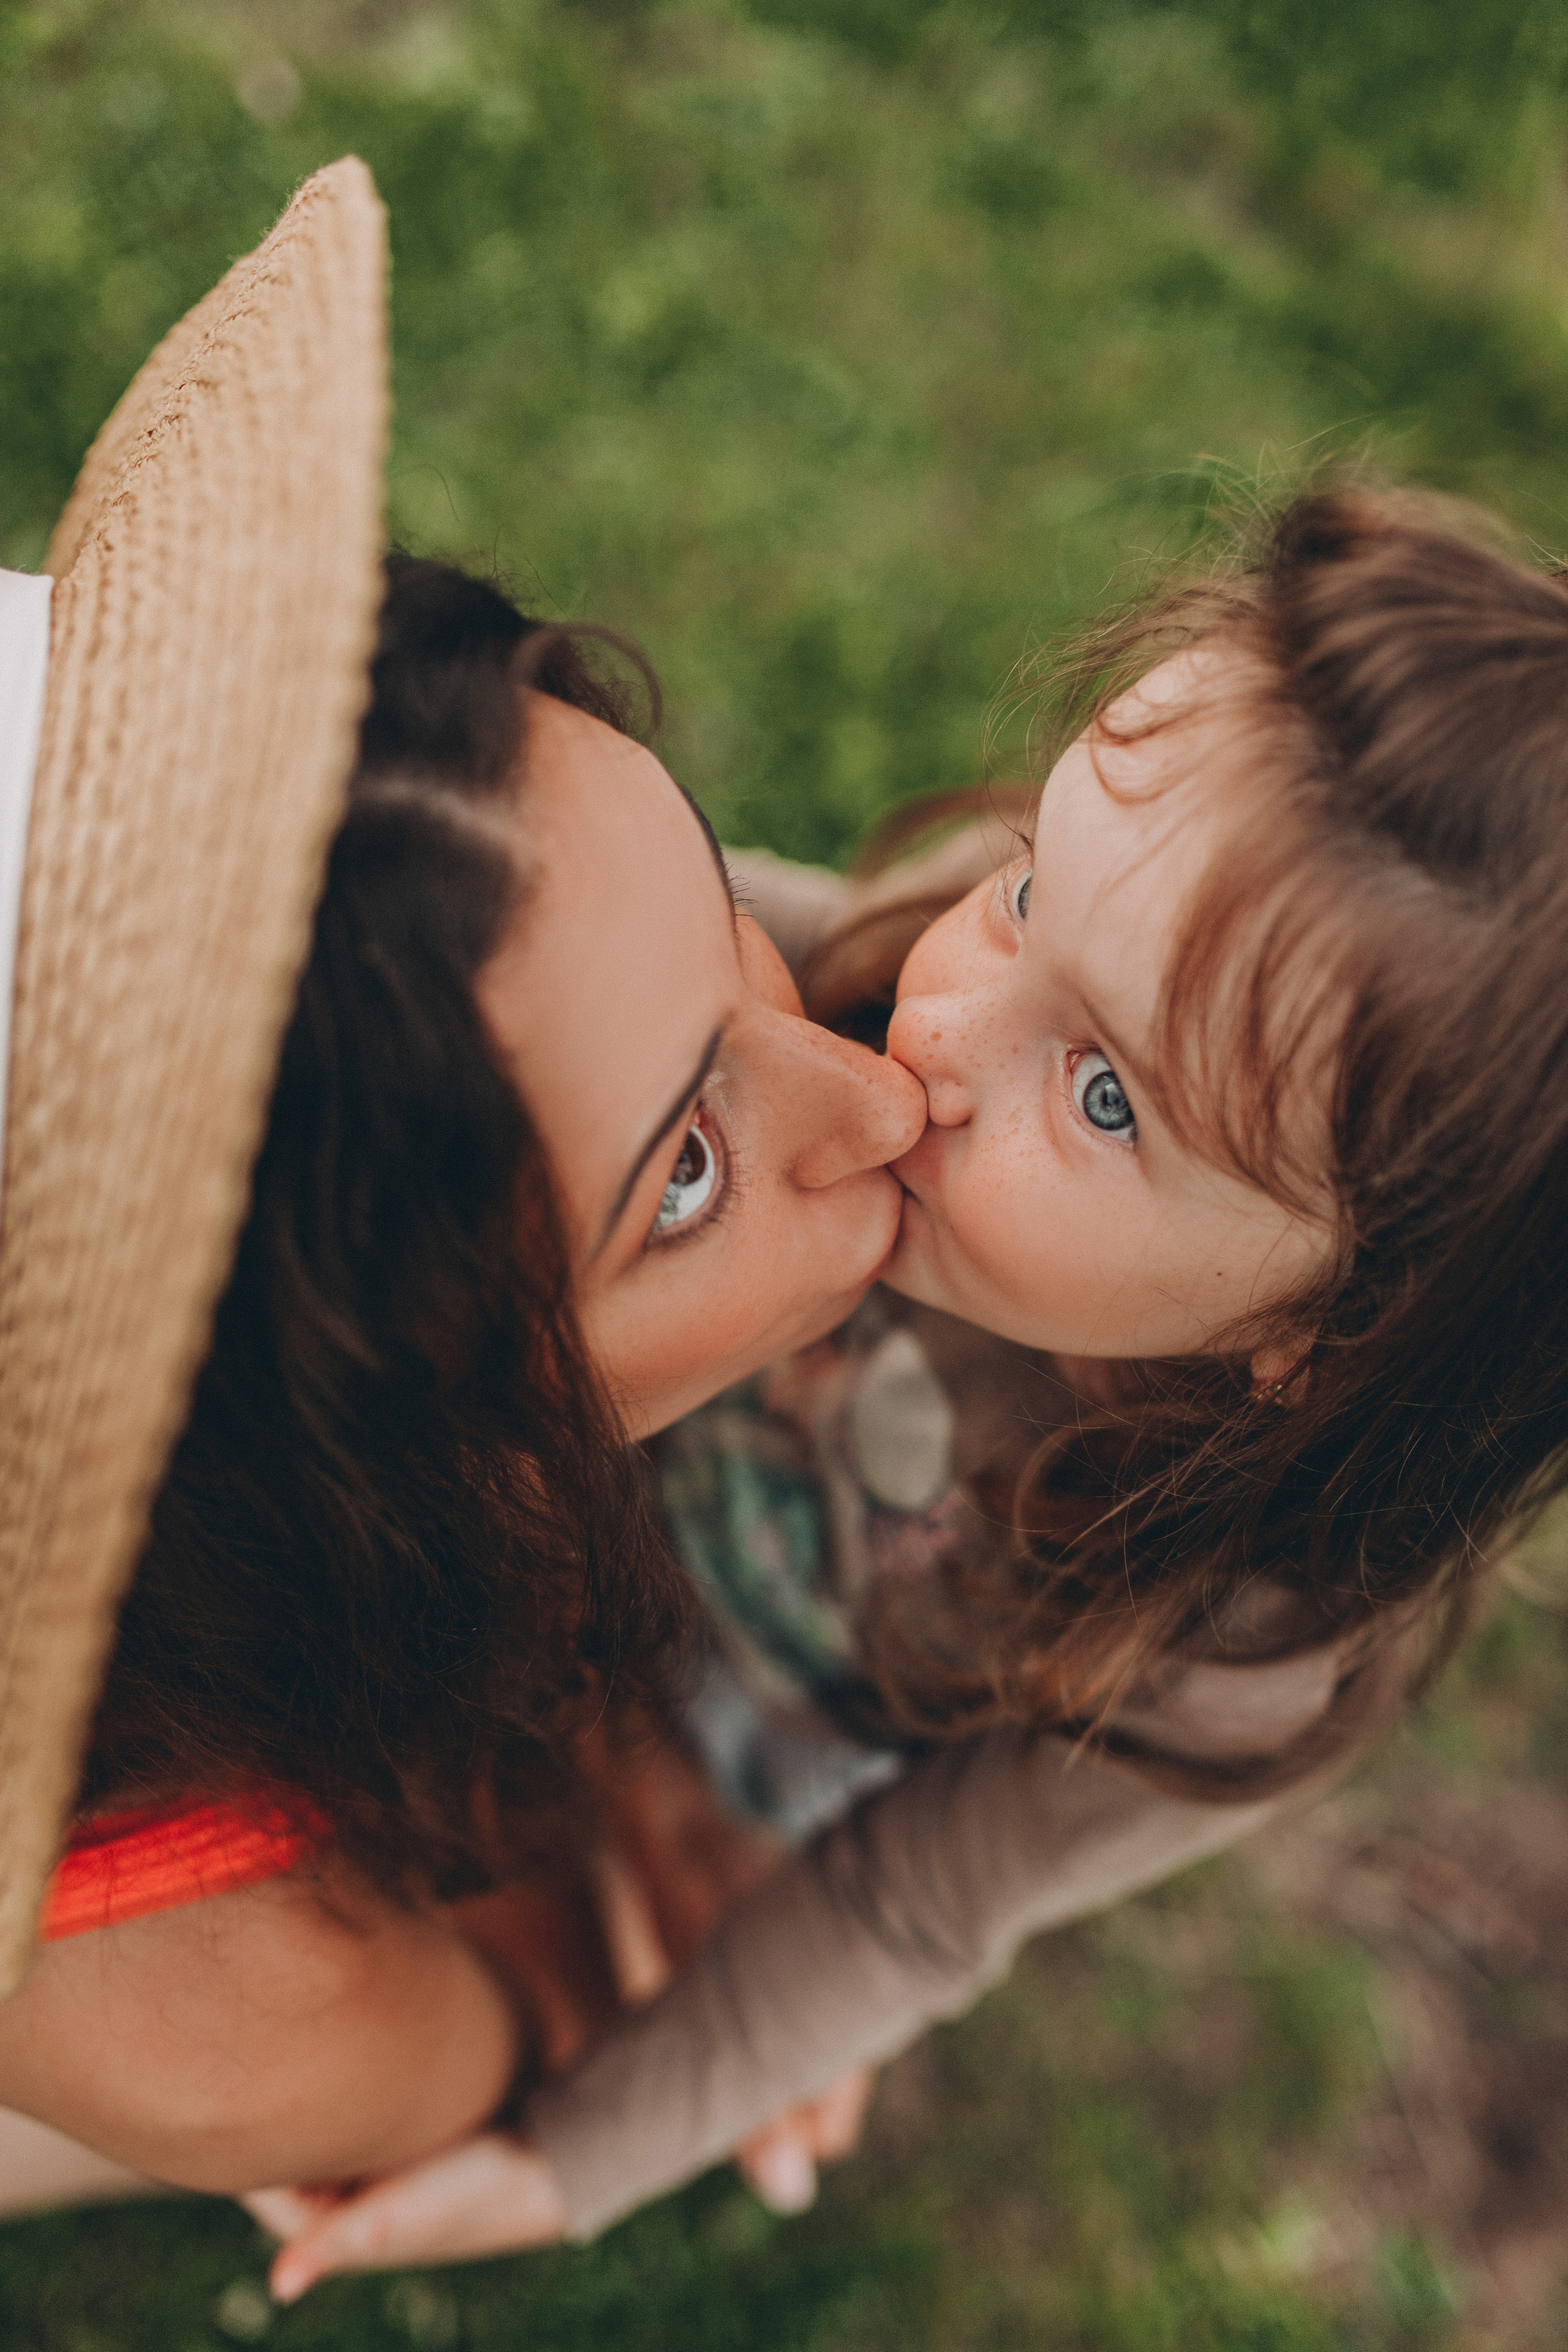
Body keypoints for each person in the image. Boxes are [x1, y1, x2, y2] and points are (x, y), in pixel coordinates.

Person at [266, 482, 1568, 2293]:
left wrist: (578, 2159)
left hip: (757, 1737)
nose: (939, 1030)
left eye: (1105, 1095)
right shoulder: (900, 988)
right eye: (1028, 887)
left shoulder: (1239, 1638)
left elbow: (910, 1900)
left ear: (1328, 1332)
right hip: (559, 1532)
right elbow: (642, 987)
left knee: (450, 1972)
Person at [0, 159, 928, 2208]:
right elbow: (507, 2025)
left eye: (719, 898)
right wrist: (668, 1914)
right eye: (684, 1174)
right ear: (332, 1465)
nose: (877, 1104)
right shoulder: (190, 1979)